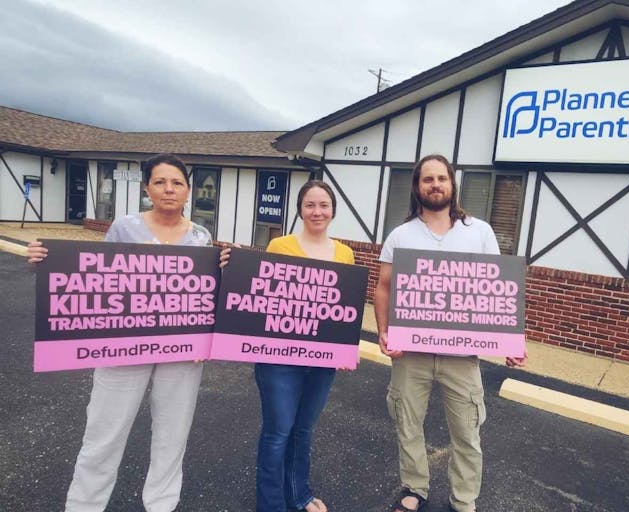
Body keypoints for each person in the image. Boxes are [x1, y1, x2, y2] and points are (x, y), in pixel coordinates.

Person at [28, 153, 212, 512]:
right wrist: (47, 261)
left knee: (172, 437)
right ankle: (84, 506)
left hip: (181, 352)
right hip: (123, 346)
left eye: (177, 183)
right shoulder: (125, 228)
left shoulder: (202, 237)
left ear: (188, 190)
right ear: (147, 188)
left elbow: (208, 291)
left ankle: (161, 504)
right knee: (103, 434)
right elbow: (92, 276)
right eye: (160, 182)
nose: (169, 189)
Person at [374, 154, 527, 512]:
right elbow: (383, 287)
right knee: (408, 424)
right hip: (411, 353)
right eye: (428, 179)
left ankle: (464, 501)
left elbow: (499, 288)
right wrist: (383, 331)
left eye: (441, 178)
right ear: (417, 186)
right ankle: (414, 489)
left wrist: (511, 340)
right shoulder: (400, 235)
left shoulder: (479, 231)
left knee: (467, 432)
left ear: (452, 184)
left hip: (462, 354)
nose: (435, 185)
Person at [220, 179, 354, 512]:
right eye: (310, 205)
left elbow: (342, 309)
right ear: (300, 210)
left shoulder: (345, 253)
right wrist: (233, 265)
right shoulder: (280, 246)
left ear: (333, 210)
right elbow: (260, 292)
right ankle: (271, 505)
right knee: (278, 431)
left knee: (303, 430)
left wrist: (345, 350)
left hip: (321, 361)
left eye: (324, 205)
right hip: (279, 359)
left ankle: (299, 494)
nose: (317, 211)